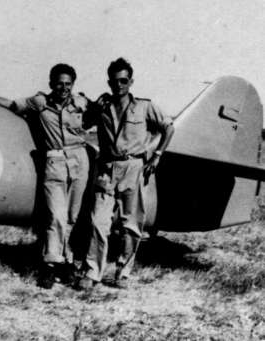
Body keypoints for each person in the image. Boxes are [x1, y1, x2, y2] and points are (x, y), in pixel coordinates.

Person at [0, 63, 93, 289]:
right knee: (55, 215)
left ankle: (66, 261)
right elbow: (11, 104)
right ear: (51, 84)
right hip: (54, 161)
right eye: (59, 83)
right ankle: (49, 264)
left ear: (73, 85)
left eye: (68, 84)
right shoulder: (40, 103)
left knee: (71, 217)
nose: (63, 88)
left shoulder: (81, 103)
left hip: (79, 161)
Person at [76, 58, 174, 290]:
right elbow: (85, 123)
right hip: (108, 169)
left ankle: (123, 272)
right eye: (114, 81)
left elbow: (168, 127)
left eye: (123, 80)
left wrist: (157, 154)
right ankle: (92, 272)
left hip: (134, 168)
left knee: (131, 225)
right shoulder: (104, 107)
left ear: (131, 82)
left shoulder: (144, 107)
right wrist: (95, 108)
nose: (119, 85)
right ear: (108, 82)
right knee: (98, 222)